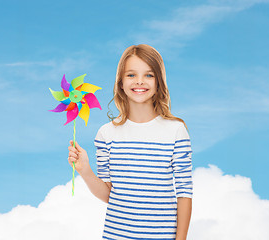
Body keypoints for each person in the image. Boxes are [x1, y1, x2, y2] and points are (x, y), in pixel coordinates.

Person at [68, 44, 193, 240]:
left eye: (149, 75)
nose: (140, 81)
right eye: (131, 75)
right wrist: (84, 170)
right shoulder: (106, 134)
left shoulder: (176, 131)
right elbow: (109, 195)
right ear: (120, 83)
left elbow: (185, 192)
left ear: (159, 82)